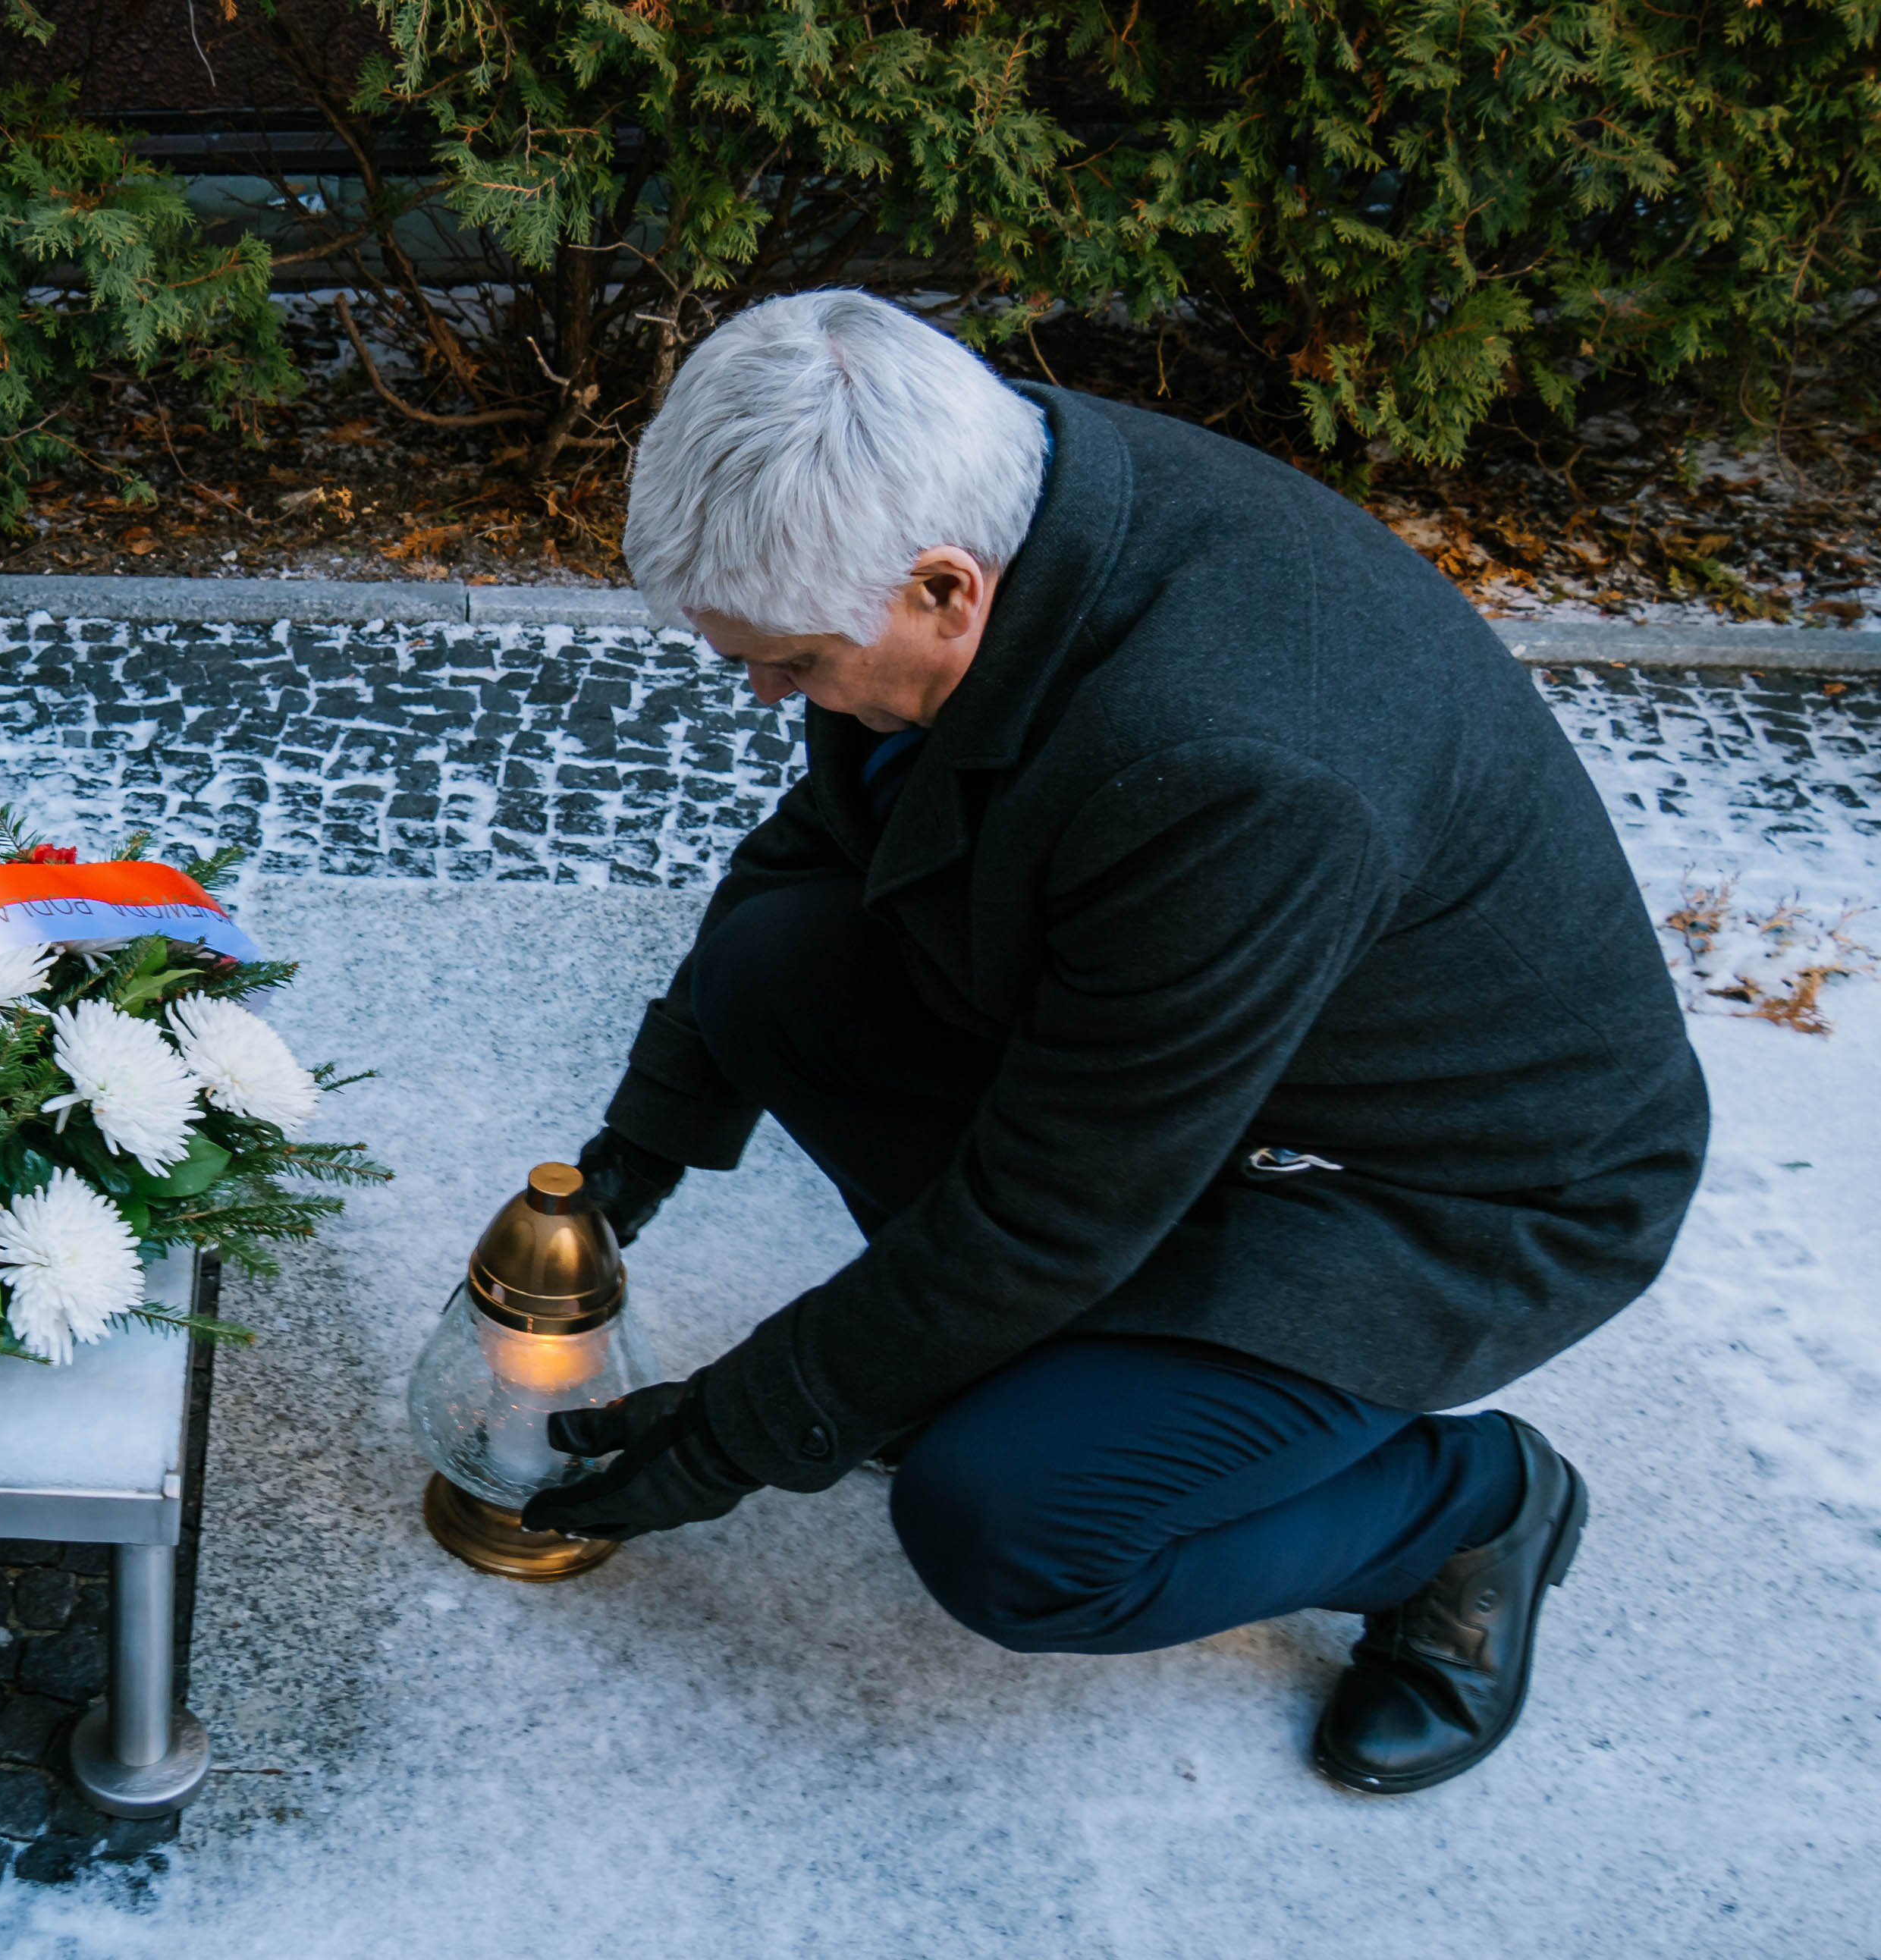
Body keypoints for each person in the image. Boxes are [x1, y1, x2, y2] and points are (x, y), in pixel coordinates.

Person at [524, 291, 1706, 1795]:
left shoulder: (1234, 769)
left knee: (1015, 1524)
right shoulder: (1005, 488)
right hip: (1197, 1054)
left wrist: (744, 1428)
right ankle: (1013, 1366)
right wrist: (636, 1152)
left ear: (944, 589)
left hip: (1442, 1190)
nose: (765, 695)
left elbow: (1051, 1205)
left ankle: (1463, 1511)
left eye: (794, 663)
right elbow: (826, 837)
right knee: (777, 968)